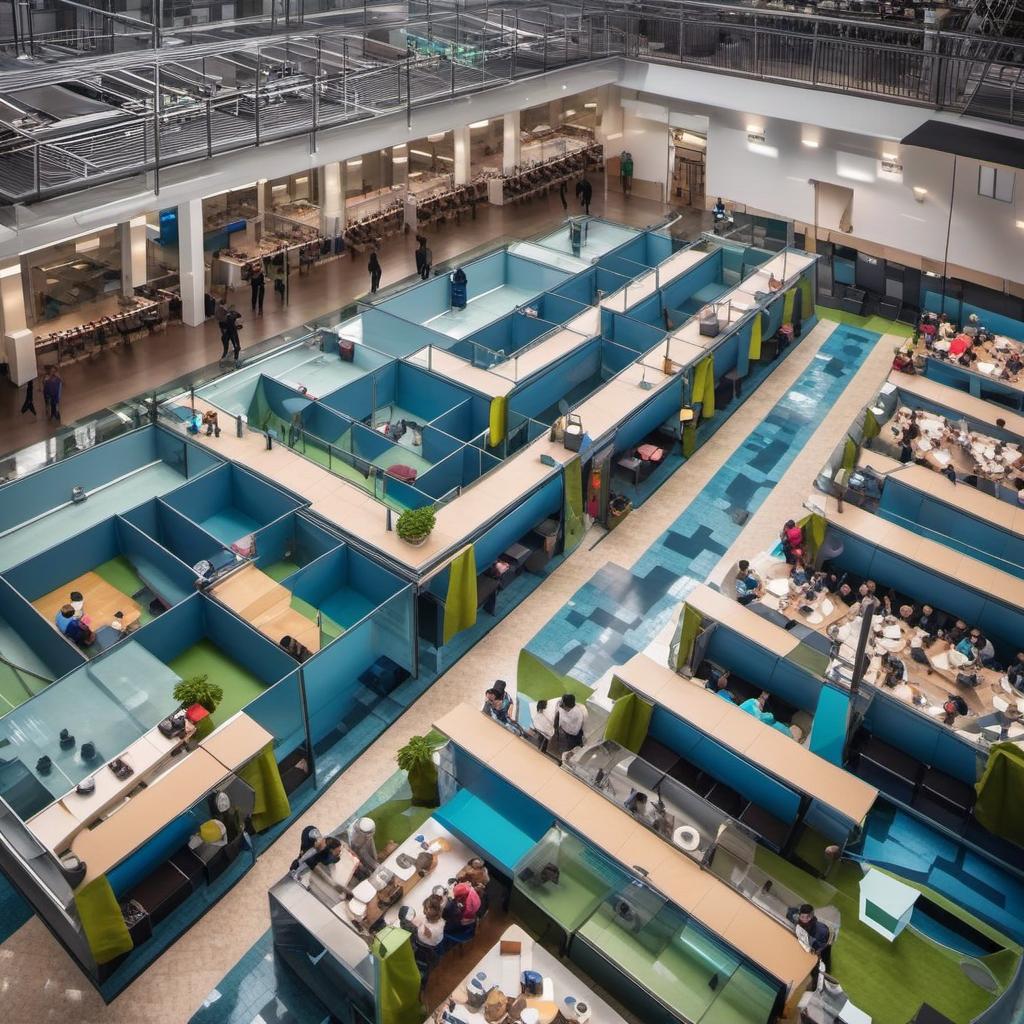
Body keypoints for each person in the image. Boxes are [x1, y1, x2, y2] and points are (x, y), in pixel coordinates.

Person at [786, 903, 832, 972]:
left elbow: (821, 949)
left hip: (815, 953)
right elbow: (790, 913)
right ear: (799, 915)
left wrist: (809, 939)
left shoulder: (821, 931)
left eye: (808, 917)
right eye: (802, 917)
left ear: (812, 916)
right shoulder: (797, 920)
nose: (805, 920)